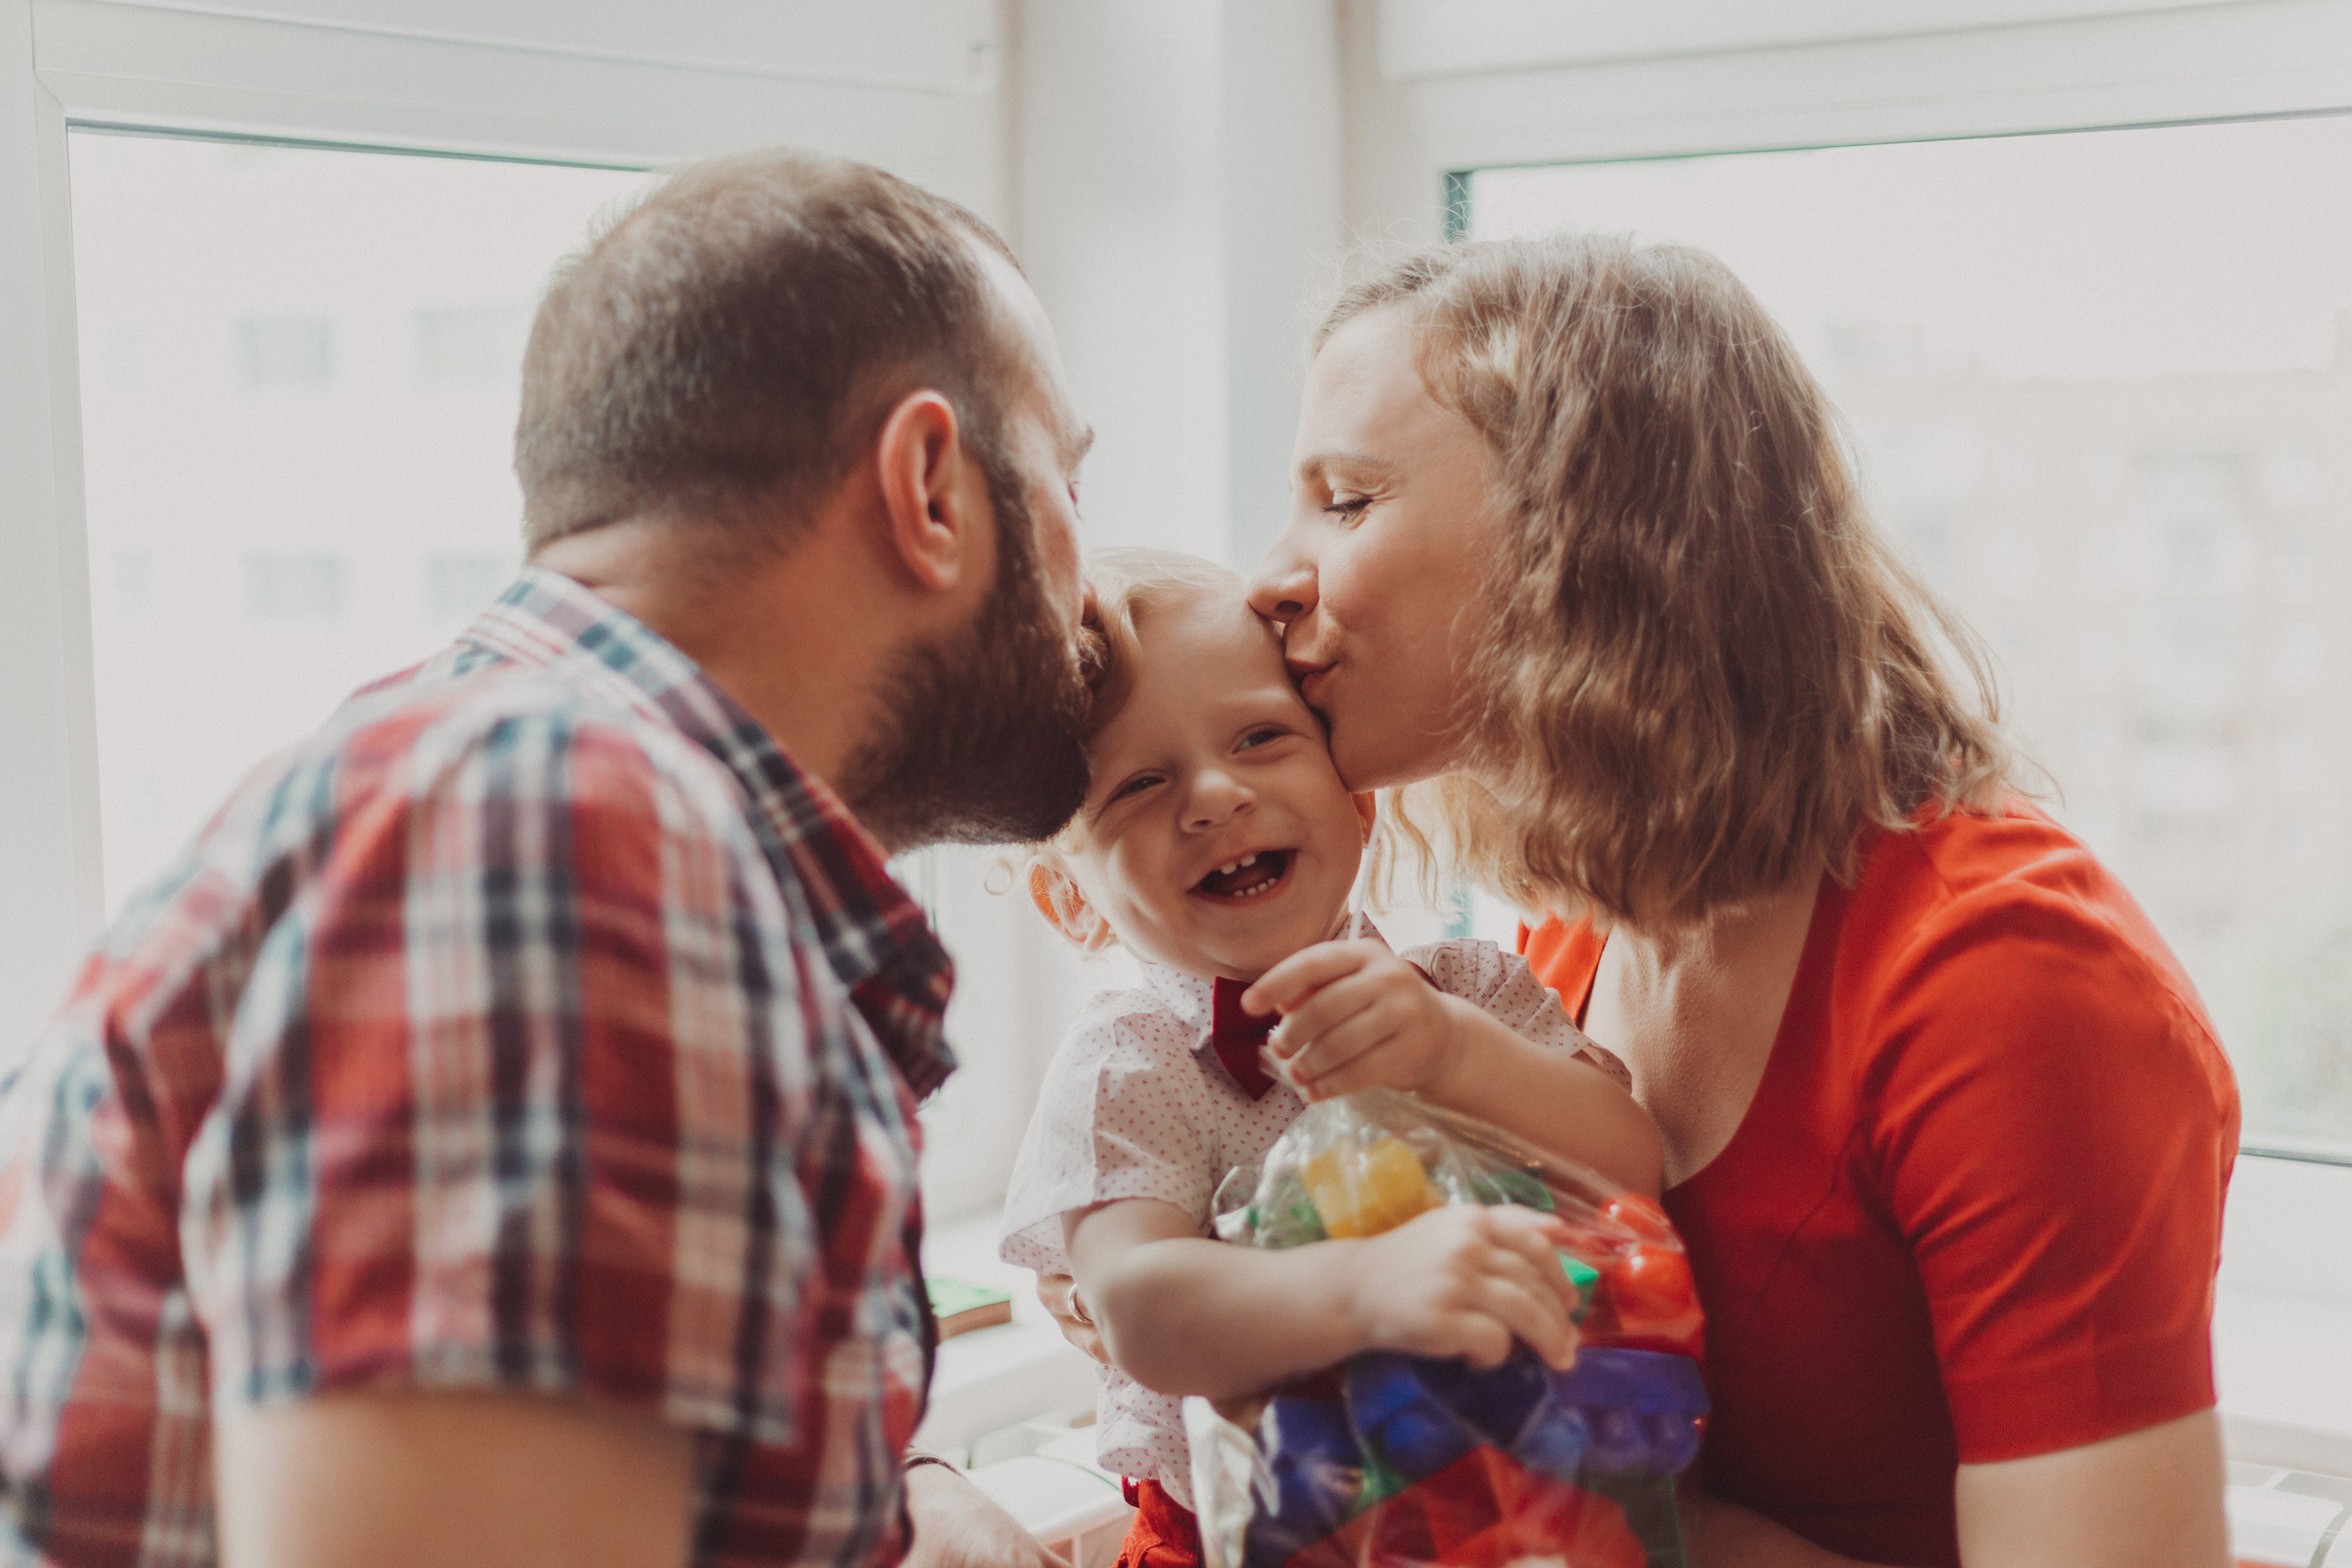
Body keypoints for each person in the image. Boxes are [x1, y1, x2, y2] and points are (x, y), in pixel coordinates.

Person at [1045, 232, 2240, 1568]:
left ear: (1579, 536)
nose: (1273, 578)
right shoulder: (1579, 929)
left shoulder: (2017, 987)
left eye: (1348, 498)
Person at [0, 149, 1099, 1568]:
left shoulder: (506, 781)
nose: (1100, 593)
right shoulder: (558, 838)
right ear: (930, 486)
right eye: (1069, 478)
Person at [1000, 547, 1660, 1568]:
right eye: (1139, 784)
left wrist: (1454, 1055)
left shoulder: (1470, 990)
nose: (1214, 797)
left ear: (1357, 798)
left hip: (1509, 1508)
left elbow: (1630, 1165)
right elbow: (1137, 1307)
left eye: (1261, 738)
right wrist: (1364, 1289)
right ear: (1068, 899)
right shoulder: (1128, 1067)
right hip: (1241, 1536)